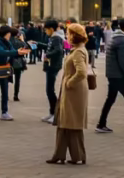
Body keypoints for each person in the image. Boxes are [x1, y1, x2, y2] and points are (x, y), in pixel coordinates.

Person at [49, 23, 90, 165]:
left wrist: (69, 83)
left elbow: (82, 72)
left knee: (72, 124)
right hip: (72, 91)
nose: (67, 35)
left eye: (69, 33)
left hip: (74, 92)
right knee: (64, 122)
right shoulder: (77, 50)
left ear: (74, 35)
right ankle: (59, 154)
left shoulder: (78, 52)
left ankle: (78, 156)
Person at [0, 25, 29, 121]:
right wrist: (16, 53)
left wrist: (19, 52)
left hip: (5, 69)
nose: (10, 34)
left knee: (5, 92)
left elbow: (12, 51)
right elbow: (2, 52)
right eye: (9, 33)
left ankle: (4, 112)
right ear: (5, 34)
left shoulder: (8, 42)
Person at [41, 20, 64, 124]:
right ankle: (52, 112)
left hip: (53, 66)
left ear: (51, 29)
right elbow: (50, 47)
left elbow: (58, 50)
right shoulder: (53, 38)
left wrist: (47, 55)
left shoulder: (56, 38)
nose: (45, 31)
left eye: (46, 29)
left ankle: (55, 113)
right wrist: (36, 44)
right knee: (49, 90)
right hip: (51, 65)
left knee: (50, 90)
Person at [12, 32, 30, 102]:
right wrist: (23, 41)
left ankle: (4, 95)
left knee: (6, 79)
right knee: (17, 79)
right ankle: (16, 95)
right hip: (18, 61)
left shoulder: (11, 41)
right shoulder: (21, 42)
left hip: (10, 60)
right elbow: (26, 49)